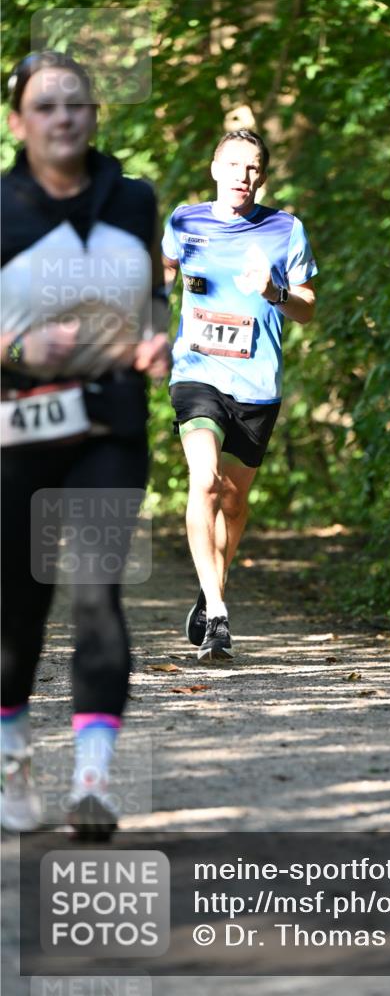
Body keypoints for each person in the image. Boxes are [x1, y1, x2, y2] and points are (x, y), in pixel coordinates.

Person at [0, 51, 170, 837]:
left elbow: (152, 297)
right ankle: (13, 762)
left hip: (110, 424)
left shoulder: (135, 199)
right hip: (17, 431)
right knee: (17, 608)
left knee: (98, 594)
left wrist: (157, 339)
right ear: (18, 123)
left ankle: (93, 783)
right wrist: (16, 349)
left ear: (96, 114)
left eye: (76, 103)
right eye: (46, 105)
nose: (63, 117)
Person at [162, 129, 318, 662]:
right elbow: (164, 274)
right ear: (215, 169)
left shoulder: (285, 229)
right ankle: (218, 615)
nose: (242, 176)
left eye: (252, 168)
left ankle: (212, 590)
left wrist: (274, 291)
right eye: (233, 165)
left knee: (232, 499)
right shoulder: (185, 221)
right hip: (197, 374)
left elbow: (307, 308)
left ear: (263, 177)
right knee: (205, 480)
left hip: (257, 386)